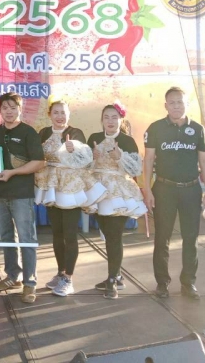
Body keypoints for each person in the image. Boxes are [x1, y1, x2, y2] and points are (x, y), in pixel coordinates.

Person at [143, 87, 205, 300]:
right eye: (172, 102)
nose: (176, 106)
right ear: (166, 106)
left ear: (186, 104)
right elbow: (148, 160)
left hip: (191, 190)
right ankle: (162, 282)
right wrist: (147, 189)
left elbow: (204, 161)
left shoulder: (197, 129)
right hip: (164, 189)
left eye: (180, 102)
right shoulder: (155, 128)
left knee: (191, 238)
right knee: (162, 237)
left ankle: (188, 282)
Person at [36, 98, 104, 297]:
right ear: (50, 115)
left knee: (70, 234)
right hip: (52, 185)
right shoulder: (44, 133)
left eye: (63, 113)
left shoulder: (75, 133)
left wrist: (75, 151)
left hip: (70, 186)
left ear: (69, 115)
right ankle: (60, 272)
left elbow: (86, 159)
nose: (60, 116)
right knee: (56, 233)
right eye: (56, 112)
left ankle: (69, 278)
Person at [0, 92, 45, 304]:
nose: (9, 111)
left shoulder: (29, 132)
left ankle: (30, 282)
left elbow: (39, 162)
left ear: (20, 109)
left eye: (13, 107)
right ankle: (13, 276)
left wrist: (12, 173)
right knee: (6, 237)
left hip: (21, 194)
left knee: (26, 238)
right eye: (5, 108)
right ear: (0, 110)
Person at [88, 103, 147, 300]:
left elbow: (136, 169)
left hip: (118, 192)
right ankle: (117, 275)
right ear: (102, 120)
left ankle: (112, 280)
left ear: (121, 120)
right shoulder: (94, 137)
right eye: (106, 117)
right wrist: (92, 157)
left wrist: (120, 157)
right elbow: (84, 165)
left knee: (114, 236)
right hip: (99, 192)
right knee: (107, 234)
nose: (110, 121)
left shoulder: (127, 141)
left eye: (114, 117)